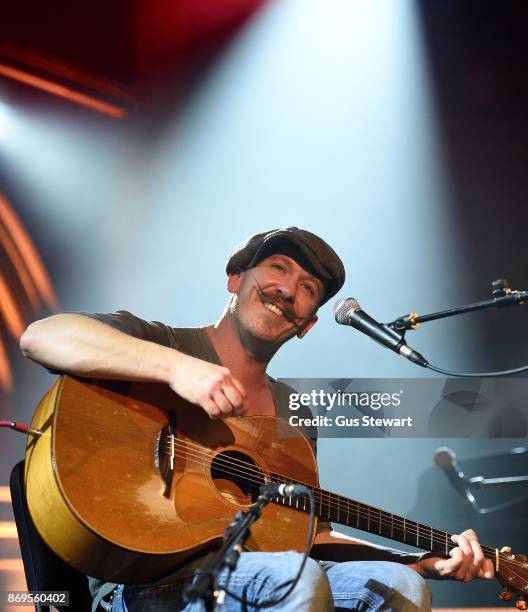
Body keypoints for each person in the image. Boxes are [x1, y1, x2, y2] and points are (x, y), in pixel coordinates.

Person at [20, 227, 494, 611]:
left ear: (307, 325)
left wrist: (417, 561)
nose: (288, 289)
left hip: (264, 572)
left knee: (397, 587)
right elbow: (42, 337)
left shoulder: (294, 412)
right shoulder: (162, 344)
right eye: (278, 267)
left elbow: (307, 535)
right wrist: (177, 368)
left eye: (308, 289)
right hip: (145, 580)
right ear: (235, 278)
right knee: (294, 580)